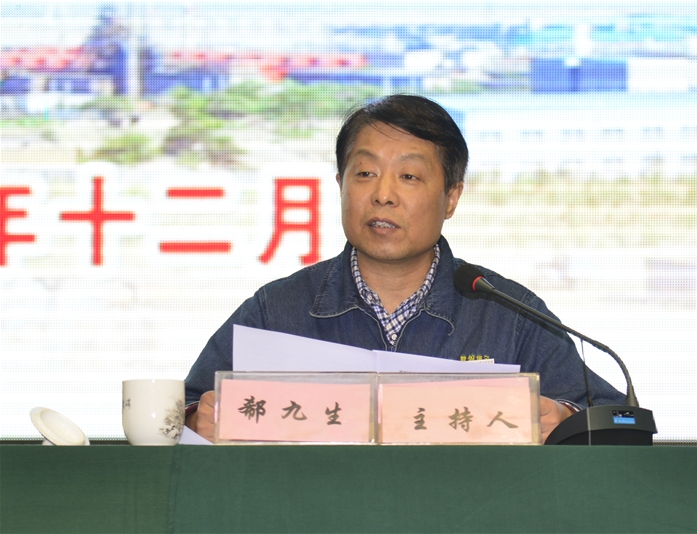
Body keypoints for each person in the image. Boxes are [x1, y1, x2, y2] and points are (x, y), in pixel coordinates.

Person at [184, 94, 625, 441]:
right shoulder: (277, 309)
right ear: (340, 185)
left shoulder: (508, 313)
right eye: (365, 174)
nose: (383, 195)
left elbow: (616, 418)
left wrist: (563, 418)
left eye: (409, 177)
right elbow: (184, 410)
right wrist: (195, 420)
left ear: (451, 198)